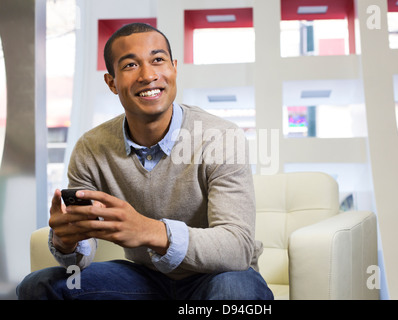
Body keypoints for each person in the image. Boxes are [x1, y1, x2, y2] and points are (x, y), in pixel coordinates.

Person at [16, 23, 273, 300]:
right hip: (145, 281)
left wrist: (151, 230)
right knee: (40, 285)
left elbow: (237, 248)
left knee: (233, 291)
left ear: (173, 68)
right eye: (130, 65)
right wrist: (67, 242)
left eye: (158, 60)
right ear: (112, 82)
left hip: (219, 277)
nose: (148, 75)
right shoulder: (91, 148)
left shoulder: (220, 137)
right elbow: (80, 260)